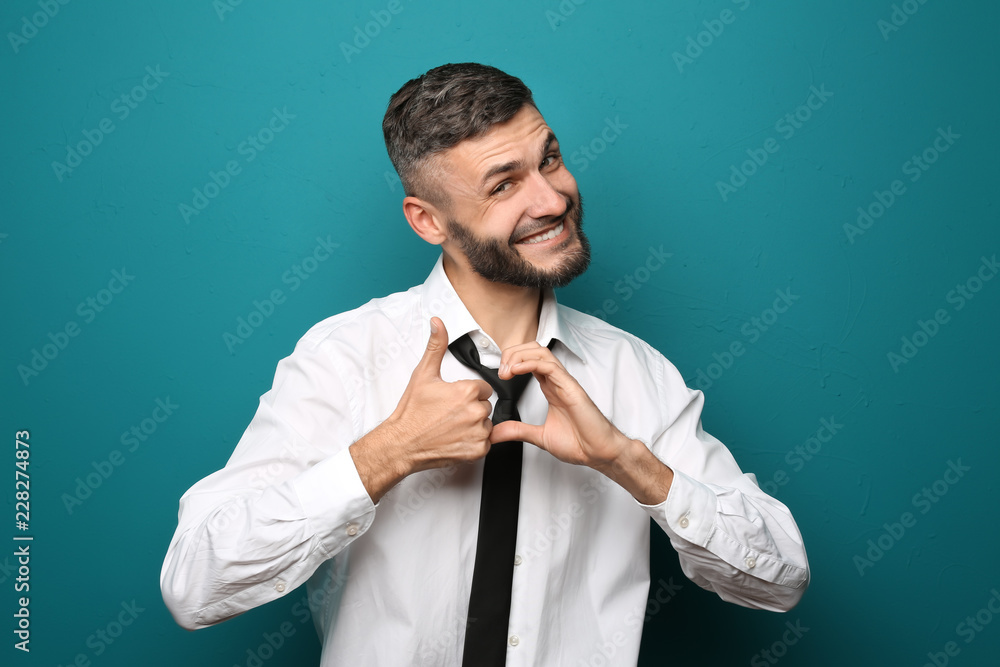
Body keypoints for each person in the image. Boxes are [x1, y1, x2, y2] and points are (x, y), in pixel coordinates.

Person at [161, 62, 810, 666]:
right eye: (504, 185)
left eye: (549, 159)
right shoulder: (344, 359)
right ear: (428, 220)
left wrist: (629, 461)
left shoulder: (633, 372)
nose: (552, 200)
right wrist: (384, 454)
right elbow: (194, 584)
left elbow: (781, 577)